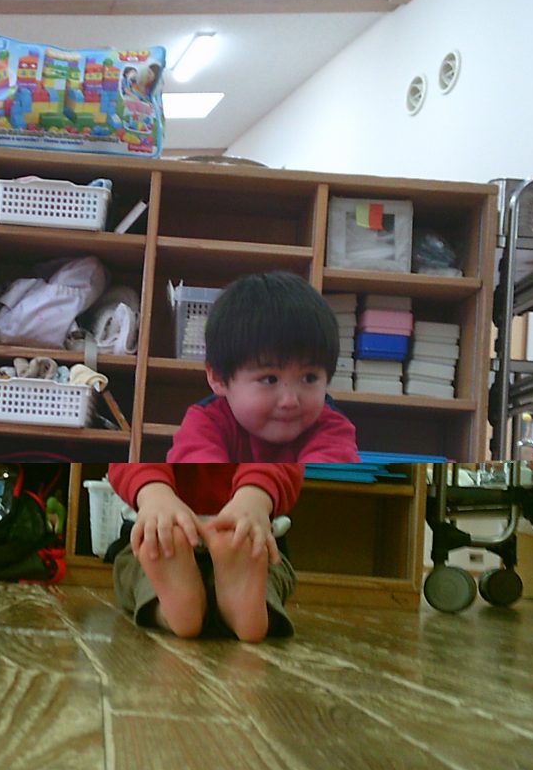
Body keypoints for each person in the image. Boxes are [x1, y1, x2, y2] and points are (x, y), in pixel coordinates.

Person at [169, 270, 359, 462]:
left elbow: (324, 476)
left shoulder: (331, 427)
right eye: (269, 379)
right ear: (218, 378)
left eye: (309, 378)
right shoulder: (207, 422)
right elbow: (198, 473)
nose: (290, 401)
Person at [107, 463, 303, 642]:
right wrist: (254, 496)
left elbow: (134, 446)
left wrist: (154, 494)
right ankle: (251, 611)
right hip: (244, 537)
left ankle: (169, 613)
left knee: (141, 570)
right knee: (266, 572)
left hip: (164, 536)